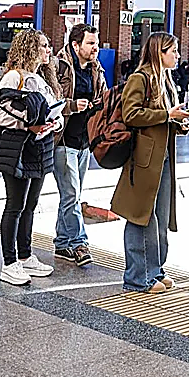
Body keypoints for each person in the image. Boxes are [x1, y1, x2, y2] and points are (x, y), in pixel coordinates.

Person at [111, 32, 189, 293]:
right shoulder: (140, 78)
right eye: (173, 51)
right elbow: (131, 114)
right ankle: (137, 277)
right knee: (140, 215)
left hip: (162, 157)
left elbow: (163, 119)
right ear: (159, 53)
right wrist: (167, 114)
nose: (178, 55)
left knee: (160, 216)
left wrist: (179, 123)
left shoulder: (165, 79)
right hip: (144, 159)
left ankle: (155, 270)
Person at [0, 28, 61, 286]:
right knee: (15, 205)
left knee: (30, 205)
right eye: (43, 46)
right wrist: (28, 126)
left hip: (39, 148)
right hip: (17, 148)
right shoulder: (14, 77)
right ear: (29, 48)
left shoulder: (42, 79)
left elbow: (54, 111)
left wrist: (54, 123)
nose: (48, 50)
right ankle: (9, 263)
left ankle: (26, 255)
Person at [52, 23, 107, 267]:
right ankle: (79, 243)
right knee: (72, 194)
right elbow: (50, 100)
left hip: (84, 142)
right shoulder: (58, 66)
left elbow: (103, 97)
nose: (96, 48)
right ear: (76, 45)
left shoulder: (96, 68)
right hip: (63, 140)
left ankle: (62, 243)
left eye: (96, 43)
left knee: (71, 196)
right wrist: (73, 106)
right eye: (90, 43)